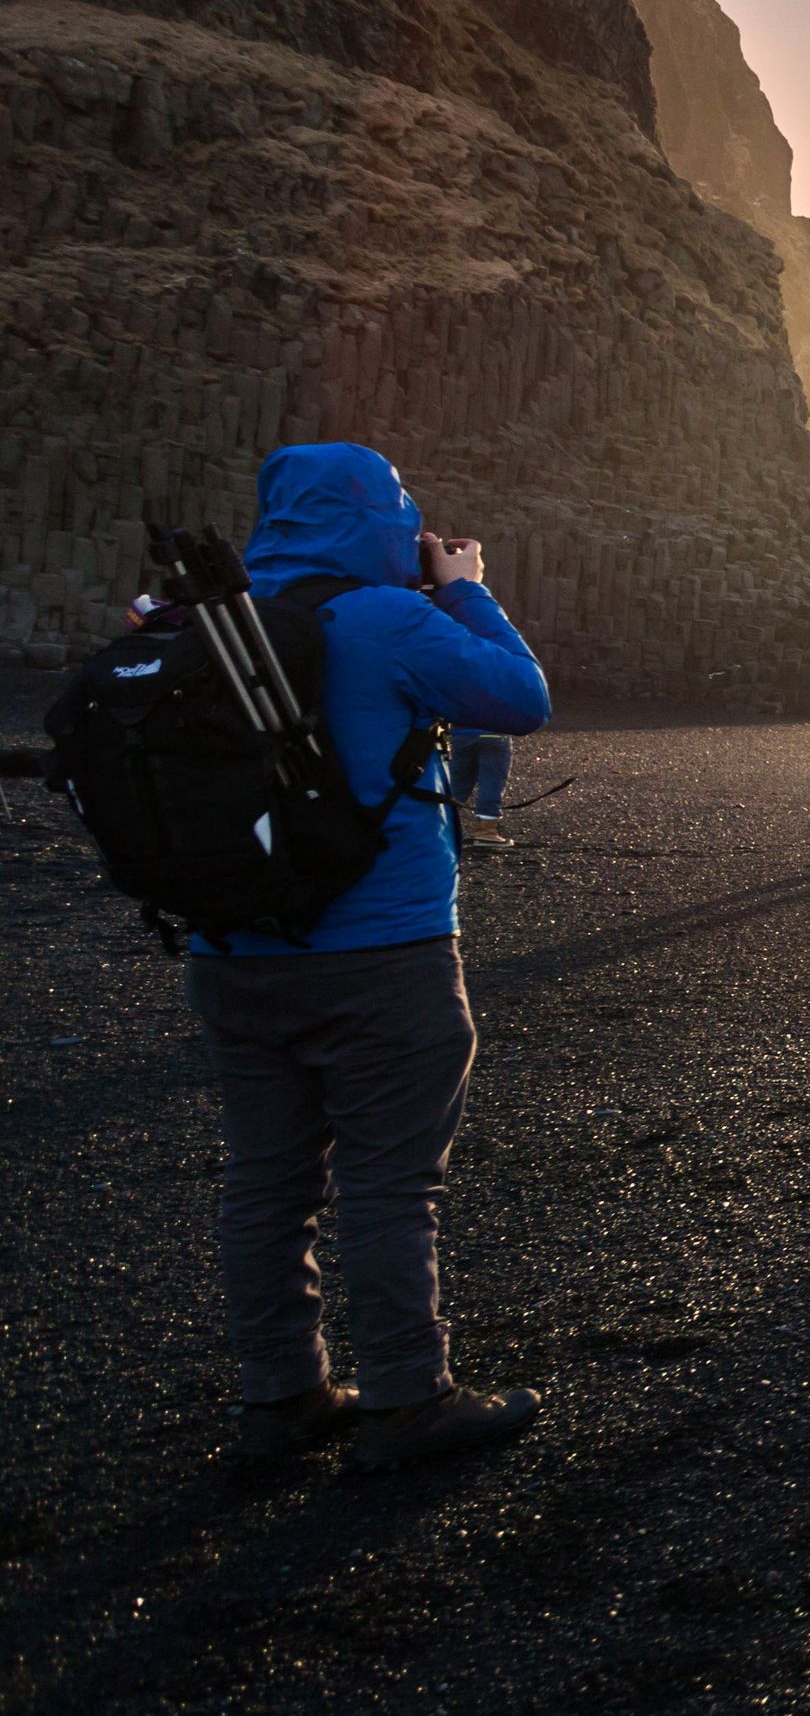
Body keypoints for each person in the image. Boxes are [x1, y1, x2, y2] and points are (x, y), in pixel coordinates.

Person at [190, 443, 549, 1474]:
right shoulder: (386, 620)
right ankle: (405, 1397)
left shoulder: (204, 625)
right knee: (391, 1184)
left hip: (230, 953)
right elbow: (519, 699)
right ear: (387, 520)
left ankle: (281, 1395)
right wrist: (470, 592)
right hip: (381, 954)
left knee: (267, 1183)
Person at [456, 730, 515, 849]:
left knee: (455, 785)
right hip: (494, 733)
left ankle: (438, 827)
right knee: (492, 782)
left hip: (459, 734)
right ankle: (486, 832)